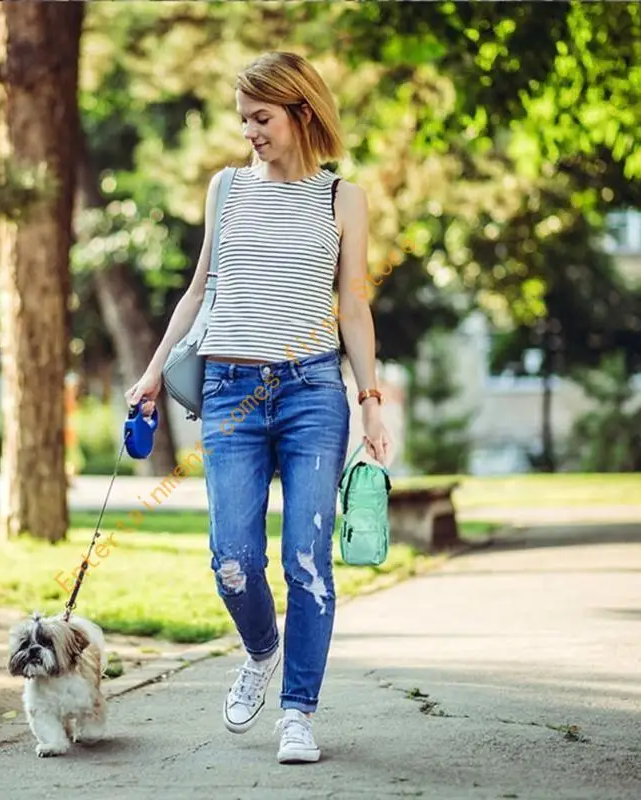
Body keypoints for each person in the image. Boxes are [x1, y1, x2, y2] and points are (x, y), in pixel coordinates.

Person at [126, 51, 392, 765]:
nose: (249, 131)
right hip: (229, 392)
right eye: (243, 118)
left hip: (311, 392)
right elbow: (197, 290)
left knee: (307, 559)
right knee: (233, 560)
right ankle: (260, 649)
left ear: (302, 112)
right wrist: (153, 374)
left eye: (262, 117)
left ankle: (299, 712)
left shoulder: (343, 198)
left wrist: (371, 401)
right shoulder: (226, 189)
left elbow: (355, 306)